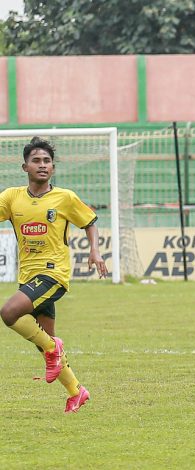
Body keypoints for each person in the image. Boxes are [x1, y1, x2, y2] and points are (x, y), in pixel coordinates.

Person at [0, 137, 108, 413]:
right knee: (43, 342)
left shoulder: (65, 197)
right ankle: (76, 391)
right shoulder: (12, 198)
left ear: (53, 167)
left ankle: (53, 348)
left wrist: (95, 252)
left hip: (53, 274)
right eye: (36, 160)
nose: (42, 165)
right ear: (25, 166)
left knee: (9, 313)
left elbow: (90, 221)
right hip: (28, 275)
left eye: (47, 161)